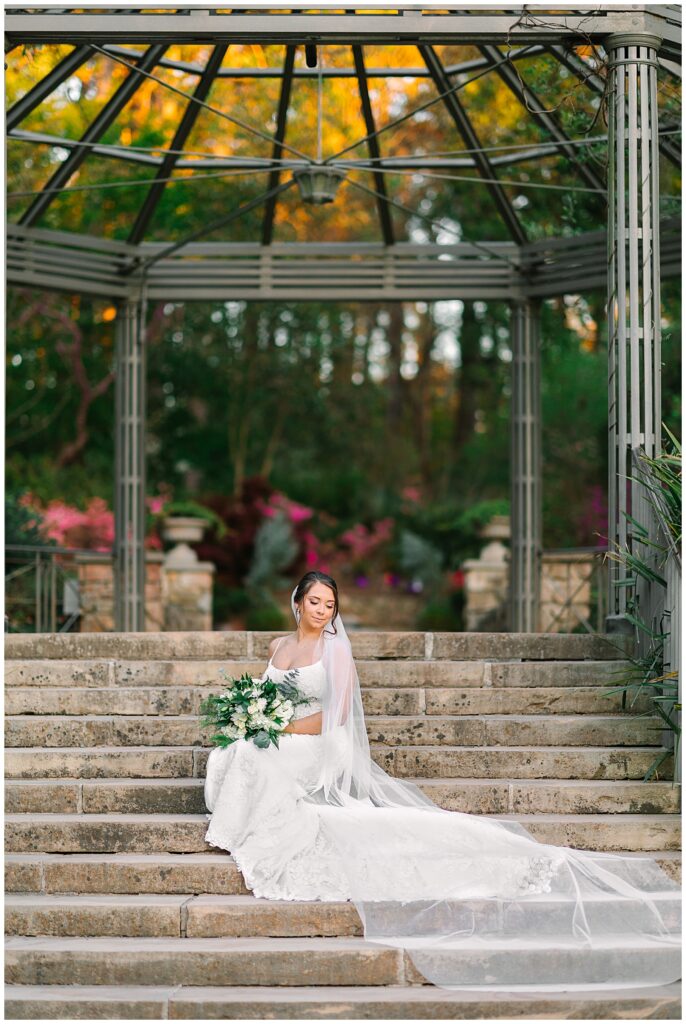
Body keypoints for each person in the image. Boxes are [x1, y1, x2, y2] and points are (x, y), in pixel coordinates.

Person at [205, 571, 681, 991]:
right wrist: (256, 719)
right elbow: (264, 696)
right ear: (297, 602)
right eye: (315, 602)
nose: (322, 610)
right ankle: (242, 815)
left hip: (321, 743)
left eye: (330, 604)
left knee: (254, 753)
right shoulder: (278, 648)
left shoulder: (336, 651)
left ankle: (240, 827)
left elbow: (336, 717)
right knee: (236, 749)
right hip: (281, 732)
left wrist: (277, 727)